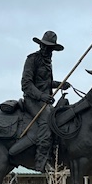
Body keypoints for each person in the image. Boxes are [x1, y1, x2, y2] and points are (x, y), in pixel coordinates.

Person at [21, 30, 69, 172]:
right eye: (45, 46)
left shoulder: (48, 62)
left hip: (45, 101)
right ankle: (42, 162)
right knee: (46, 122)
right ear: (41, 46)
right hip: (32, 100)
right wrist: (41, 96)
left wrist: (59, 84)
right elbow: (26, 84)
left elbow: (45, 82)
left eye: (50, 48)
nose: (47, 50)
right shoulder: (32, 59)